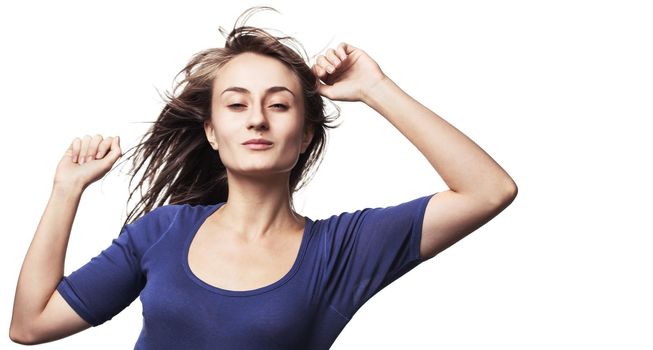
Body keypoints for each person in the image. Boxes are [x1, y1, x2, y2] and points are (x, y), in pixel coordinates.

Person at [9, 5, 517, 349]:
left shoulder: (340, 249)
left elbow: (489, 190)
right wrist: (65, 191)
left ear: (303, 135)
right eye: (236, 104)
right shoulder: (162, 231)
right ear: (211, 132)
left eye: (278, 104)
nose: (257, 118)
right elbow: (30, 325)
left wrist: (375, 88)